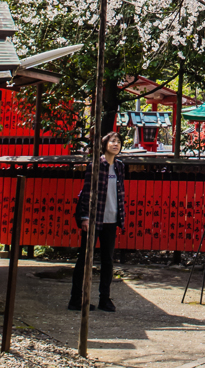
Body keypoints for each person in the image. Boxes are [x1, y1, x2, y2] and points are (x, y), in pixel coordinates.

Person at [69, 131, 126, 313]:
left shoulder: (120, 167)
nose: (116, 144)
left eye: (118, 142)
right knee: (85, 260)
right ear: (105, 144)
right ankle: (76, 299)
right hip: (94, 219)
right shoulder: (95, 165)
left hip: (111, 218)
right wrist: (85, 217)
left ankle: (105, 299)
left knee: (108, 261)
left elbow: (119, 193)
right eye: (112, 141)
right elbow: (87, 192)